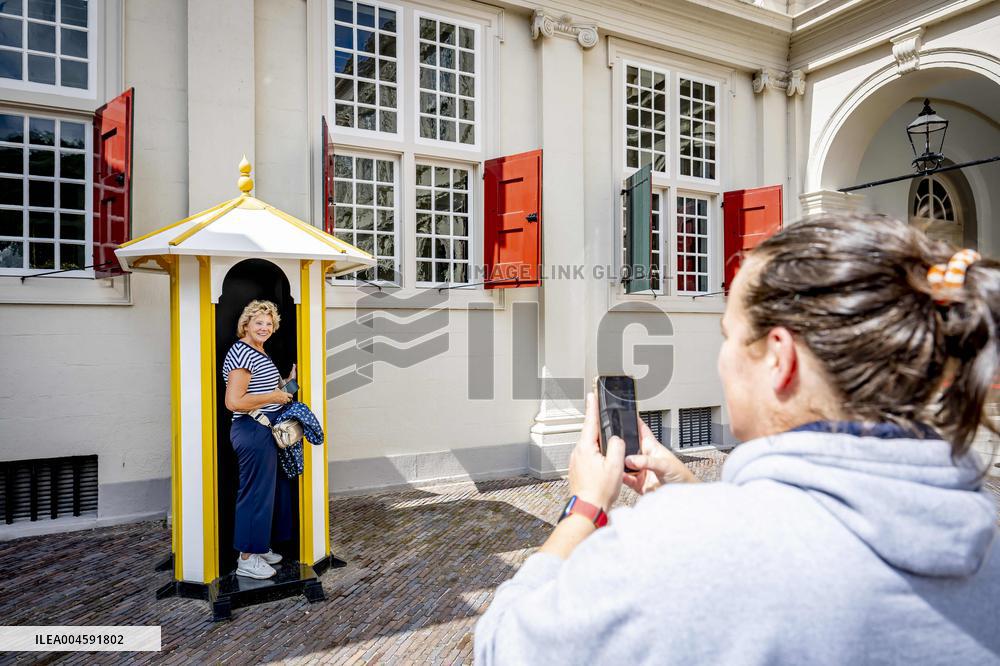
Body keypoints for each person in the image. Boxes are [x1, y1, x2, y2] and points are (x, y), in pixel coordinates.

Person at [475, 215, 1000, 665]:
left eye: (728, 336)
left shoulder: (678, 546)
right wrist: (684, 487)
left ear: (779, 358)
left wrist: (585, 508)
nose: (722, 358)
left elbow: (506, 647)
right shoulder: (987, 528)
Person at [223, 299, 295, 579]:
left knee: (266, 494)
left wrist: (286, 384)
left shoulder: (258, 352)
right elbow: (234, 401)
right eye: (258, 323)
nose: (264, 327)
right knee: (254, 495)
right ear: (246, 325)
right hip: (251, 430)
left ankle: (258, 546)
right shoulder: (243, 352)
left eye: (269, 323)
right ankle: (247, 558)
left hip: (264, 430)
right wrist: (275, 396)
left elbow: (263, 391)